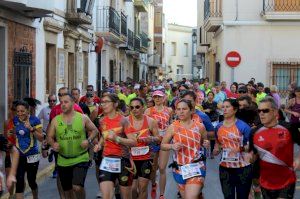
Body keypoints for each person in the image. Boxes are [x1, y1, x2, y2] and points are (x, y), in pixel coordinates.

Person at [47, 93, 99, 199]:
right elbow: (49, 137)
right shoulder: (56, 120)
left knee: (77, 187)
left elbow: (95, 130)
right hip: (63, 160)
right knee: (68, 192)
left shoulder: (83, 118)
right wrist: (53, 144)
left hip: (80, 158)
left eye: (66, 102)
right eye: (61, 102)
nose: (63, 104)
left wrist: (88, 140)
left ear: (73, 103)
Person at [250, 97, 300, 199]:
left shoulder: (289, 128)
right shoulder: (255, 132)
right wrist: (249, 157)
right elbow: (253, 155)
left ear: (275, 112)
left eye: (265, 110)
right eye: (259, 111)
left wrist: (298, 159)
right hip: (266, 181)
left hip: (286, 180)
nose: (261, 114)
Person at [161, 99, 207, 199]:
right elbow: (163, 145)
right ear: (175, 111)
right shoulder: (172, 127)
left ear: (191, 111)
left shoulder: (200, 126)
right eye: (178, 109)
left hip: (196, 166)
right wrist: (172, 146)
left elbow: (204, 142)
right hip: (179, 168)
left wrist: (206, 144)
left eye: (184, 109)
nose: (181, 111)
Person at [94, 93, 137, 199]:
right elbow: (104, 135)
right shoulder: (102, 120)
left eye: (106, 102)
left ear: (115, 104)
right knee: (106, 196)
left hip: (123, 160)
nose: (103, 105)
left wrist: (117, 139)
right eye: (102, 102)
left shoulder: (124, 120)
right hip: (107, 160)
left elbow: (133, 142)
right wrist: (99, 145)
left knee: (125, 196)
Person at [213, 98, 252, 199]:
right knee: (228, 197)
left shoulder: (243, 126)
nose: (224, 110)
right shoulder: (218, 127)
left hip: (242, 168)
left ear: (235, 110)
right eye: (223, 107)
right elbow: (218, 143)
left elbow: (250, 146)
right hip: (225, 168)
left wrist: (240, 149)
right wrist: (216, 149)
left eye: (227, 107)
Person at [127, 98, 160, 199]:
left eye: (137, 107)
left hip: (145, 158)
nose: (134, 109)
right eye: (132, 107)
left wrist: (151, 139)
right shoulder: (125, 121)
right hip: (130, 159)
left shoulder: (151, 121)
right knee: (132, 189)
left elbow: (158, 138)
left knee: (143, 188)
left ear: (143, 107)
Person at [11, 100, 44, 199]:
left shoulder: (35, 120)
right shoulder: (15, 120)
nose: (20, 113)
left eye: (22, 111)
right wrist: (12, 132)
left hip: (32, 155)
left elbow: (41, 138)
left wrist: (31, 129)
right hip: (19, 155)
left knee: (31, 181)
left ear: (27, 110)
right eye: (18, 111)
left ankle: (35, 197)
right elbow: (16, 133)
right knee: (19, 181)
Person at [145, 90, 172, 199]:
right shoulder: (148, 111)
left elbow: (170, 124)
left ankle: (161, 194)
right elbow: (145, 126)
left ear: (164, 98)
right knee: (153, 167)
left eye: (159, 97)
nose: (157, 99)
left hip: (165, 140)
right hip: (153, 140)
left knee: (162, 168)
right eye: (155, 97)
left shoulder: (169, 110)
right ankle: (153, 185)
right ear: (153, 98)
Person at [202, 91, 218, 159]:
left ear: (213, 96)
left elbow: (213, 109)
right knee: (206, 137)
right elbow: (202, 111)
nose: (210, 96)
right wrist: (205, 110)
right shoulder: (204, 103)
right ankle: (205, 152)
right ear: (207, 96)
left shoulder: (215, 103)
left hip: (214, 121)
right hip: (206, 121)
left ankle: (211, 152)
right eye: (209, 95)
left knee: (213, 137)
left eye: (211, 95)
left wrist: (209, 110)